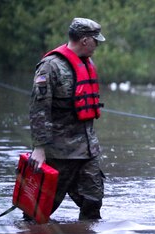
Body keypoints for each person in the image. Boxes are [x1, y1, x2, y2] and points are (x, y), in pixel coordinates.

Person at [28, 18, 106, 220]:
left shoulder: (87, 63)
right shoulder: (49, 67)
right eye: (96, 41)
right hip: (58, 153)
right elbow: (39, 109)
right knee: (38, 213)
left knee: (93, 203)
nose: (97, 46)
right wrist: (39, 148)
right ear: (85, 40)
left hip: (87, 151)